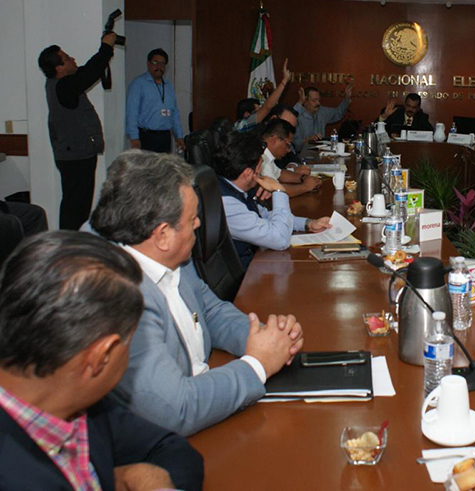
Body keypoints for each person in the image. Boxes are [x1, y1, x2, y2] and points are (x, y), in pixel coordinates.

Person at [90, 150, 304, 436]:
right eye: (192, 219)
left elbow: (210, 310)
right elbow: (177, 409)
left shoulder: (167, 254)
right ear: (162, 235)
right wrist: (258, 364)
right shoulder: (117, 297)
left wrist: (265, 338)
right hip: (166, 438)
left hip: (209, 400)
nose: (199, 224)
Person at [0, 231, 204, 490]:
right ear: (102, 357)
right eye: (131, 344)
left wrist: (144, 477)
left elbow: (172, 449)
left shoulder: (79, 404)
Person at [216, 125, 332, 269]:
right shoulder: (228, 204)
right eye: (260, 167)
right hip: (246, 275)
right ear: (248, 174)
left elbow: (265, 216)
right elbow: (280, 240)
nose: (261, 172)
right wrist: (279, 191)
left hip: (256, 261)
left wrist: (308, 223)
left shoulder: (237, 188)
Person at [38, 33, 116, 231]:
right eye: (67, 58)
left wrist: (104, 51)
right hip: (76, 157)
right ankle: (70, 245)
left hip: (74, 154)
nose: (72, 59)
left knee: (76, 205)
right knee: (75, 207)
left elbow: (88, 70)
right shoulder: (64, 86)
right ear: (59, 68)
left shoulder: (62, 84)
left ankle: (74, 243)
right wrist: (106, 47)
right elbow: (90, 73)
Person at [250, 105, 321, 197]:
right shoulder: (261, 156)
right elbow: (276, 190)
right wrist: (305, 186)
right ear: (275, 139)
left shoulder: (268, 155)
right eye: (287, 145)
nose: (288, 150)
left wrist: (302, 178)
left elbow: (280, 173)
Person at [126, 48, 185, 153]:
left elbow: (175, 113)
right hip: (146, 137)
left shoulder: (168, 86)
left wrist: (179, 136)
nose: (159, 67)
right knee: (148, 164)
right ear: (148, 64)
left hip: (166, 137)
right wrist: (134, 138)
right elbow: (132, 113)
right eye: (155, 63)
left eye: (162, 64)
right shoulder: (138, 84)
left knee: (165, 164)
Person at [233, 59, 292, 133]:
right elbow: (267, 107)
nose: (261, 114)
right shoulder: (240, 127)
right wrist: (284, 80)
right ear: (246, 115)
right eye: (256, 112)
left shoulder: (257, 128)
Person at [292, 84, 353, 152]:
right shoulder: (298, 117)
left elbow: (338, 113)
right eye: (314, 100)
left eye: (319, 100)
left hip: (321, 153)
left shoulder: (322, 112)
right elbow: (296, 145)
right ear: (305, 102)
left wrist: (347, 98)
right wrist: (308, 139)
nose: (318, 103)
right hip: (303, 155)